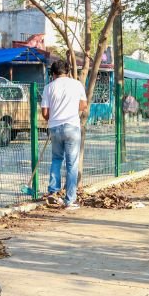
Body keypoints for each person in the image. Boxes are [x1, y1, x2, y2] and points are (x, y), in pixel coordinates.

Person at [41, 61, 88, 210]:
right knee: (71, 164)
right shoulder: (77, 84)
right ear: (67, 72)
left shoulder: (48, 88)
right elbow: (83, 105)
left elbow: (45, 113)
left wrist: (55, 118)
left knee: (56, 159)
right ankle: (70, 200)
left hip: (54, 127)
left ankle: (53, 194)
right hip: (72, 127)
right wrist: (71, 109)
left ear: (53, 74)